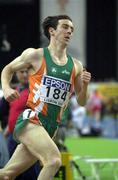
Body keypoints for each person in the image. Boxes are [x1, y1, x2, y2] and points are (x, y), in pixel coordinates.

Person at [0, 15, 91, 180]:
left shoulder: (76, 66)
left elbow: (82, 101)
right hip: (32, 120)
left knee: (7, 175)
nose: (69, 31)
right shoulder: (36, 55)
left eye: (72, 28)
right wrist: (6, 88)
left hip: (50, 128)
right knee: (54, 161)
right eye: (65, 27)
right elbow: (8, 68)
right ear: (52, 31)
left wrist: (84, 86)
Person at [0, 68, 40, 180]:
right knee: (9, 172)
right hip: (12, 138)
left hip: (29, 138)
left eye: (27, 71)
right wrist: (7, 129)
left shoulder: (37, 91)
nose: (25, 74)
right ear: (16, 74)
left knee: (30, 173)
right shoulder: (12, 92)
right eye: (21, 72)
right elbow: (3, 112)